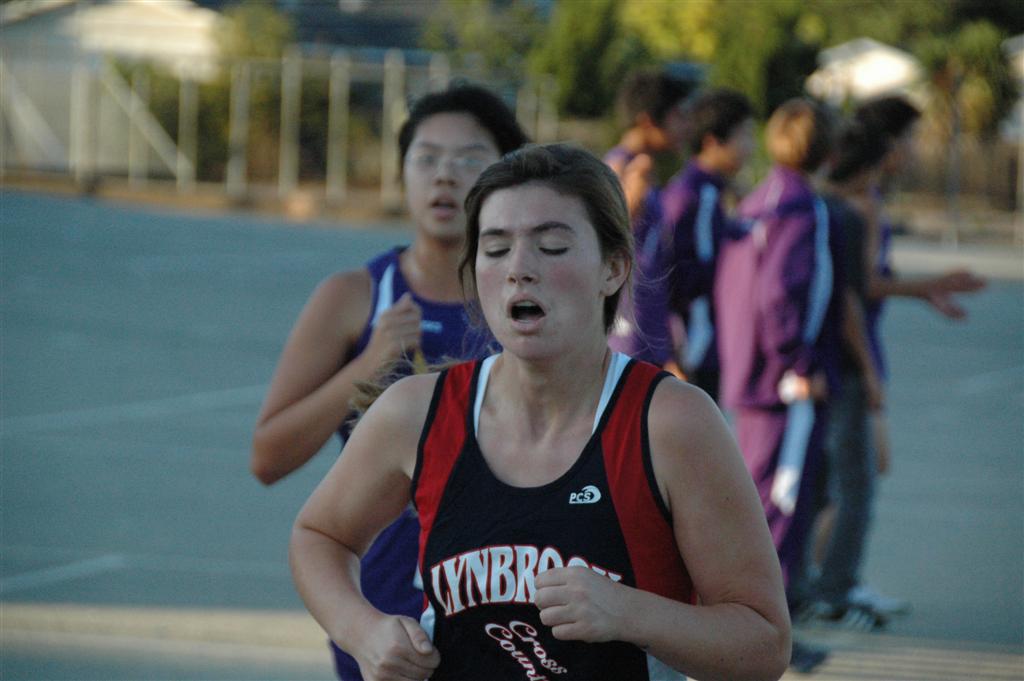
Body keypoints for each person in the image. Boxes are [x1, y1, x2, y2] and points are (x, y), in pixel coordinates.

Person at [290, 144, 791, 681]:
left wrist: (631, 612)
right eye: (495, 248)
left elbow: (763, 644)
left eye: (552, 247)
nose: (519, 269)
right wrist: (363, 633)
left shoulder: (670, 423)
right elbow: (319, 536)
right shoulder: (418, 411)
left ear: (613, 269)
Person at [251, 83, 528, 680]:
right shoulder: (356, 296)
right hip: (383, 604)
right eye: (426, 158)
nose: (444, 176)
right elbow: (268, 456)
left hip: (508, 593)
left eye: (469, 159)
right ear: (402, 172)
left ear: (505, 175)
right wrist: (367, 364)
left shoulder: (529, 300)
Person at [844, 95, 986, 618]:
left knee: (857, 472)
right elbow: (859, 286)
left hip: (859, 347)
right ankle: (822, 586)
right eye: (908, 138)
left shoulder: (867, 198)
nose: (912, 149)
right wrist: (927, 285)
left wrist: (925, 291)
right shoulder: (862, 203)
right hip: (851, 352)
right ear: (888, 144)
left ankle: (828, 580)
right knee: (855, 474)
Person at [714, 98, 840, 673]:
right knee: (779, 508)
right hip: (780, 383)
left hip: (749, 373)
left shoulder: (760, 199)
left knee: (756, 505)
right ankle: (770, 639)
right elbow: (779, 294)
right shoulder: (800, 206)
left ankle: (756, 634)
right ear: (826, 149)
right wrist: (799, 363)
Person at [799, 120, 891, 630]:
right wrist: (871, 375)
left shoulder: (809, 208)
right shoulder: (847, 218)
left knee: (813, 485)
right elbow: (851, 303)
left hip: (805, 369)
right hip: (842, 370)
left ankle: (803, 582)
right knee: (855, 485)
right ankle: (835, 588)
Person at [624, 88, 754, 398]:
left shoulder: (703, 190)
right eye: (745, 135)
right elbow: (689, 274)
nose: (751, 147)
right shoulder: (698, 196)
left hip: (694, 341)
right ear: (713, 141)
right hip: (695, 344)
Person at [603, 69, 695, 377]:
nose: (686, 126)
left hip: (650, 335)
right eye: (678, 116)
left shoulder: (645, 171)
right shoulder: (618, 170)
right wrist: (629, 204)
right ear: (647, 121)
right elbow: (604, 242)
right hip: (626, 338)